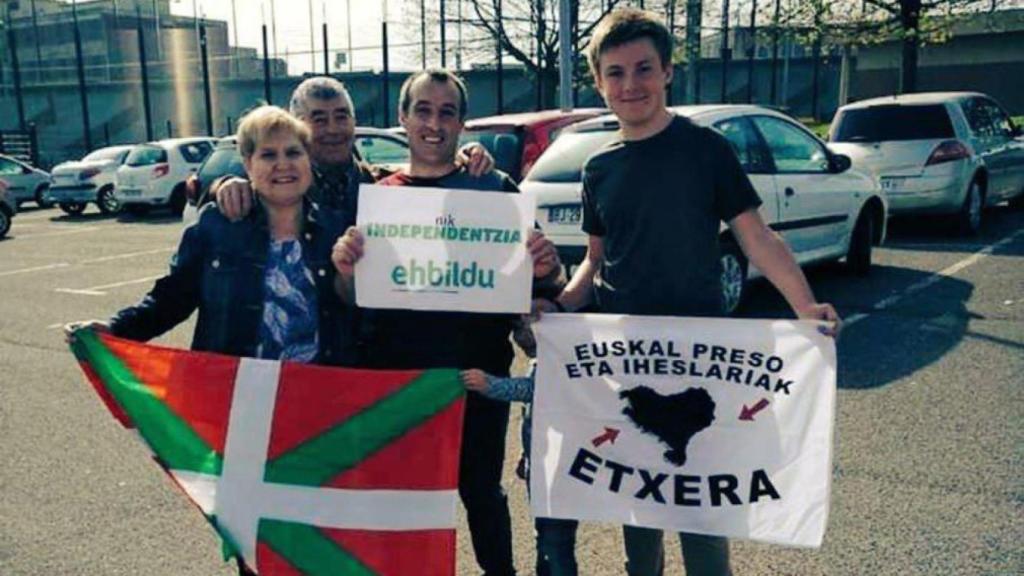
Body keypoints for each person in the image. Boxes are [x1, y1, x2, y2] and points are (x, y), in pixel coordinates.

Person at [550, 8, 842, 576]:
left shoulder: (705, 149)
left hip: (700, 356)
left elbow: (756, 237)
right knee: (641, 509)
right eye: (616, 73)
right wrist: (558, 309)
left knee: (702, 506)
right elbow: (593, 261)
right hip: (626, 357)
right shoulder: (597, 168)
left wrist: (804, 306)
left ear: (667, 73)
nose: (630, 85)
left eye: (643, 69)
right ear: (599, 81)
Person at [332, 68, 562, 576]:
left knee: (480, 490)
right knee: (407, 502)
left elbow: (542, 279)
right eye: (423, 110)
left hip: (477, 374)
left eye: (447, 111)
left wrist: (547, 265)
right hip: (399, 377)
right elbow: (350, 296)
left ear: (462, 123)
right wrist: (345, 269)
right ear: (403, 118)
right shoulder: (379, 196)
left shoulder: (494, 188)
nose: (434, 123)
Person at [215, 75, 493, 229]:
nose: (333, 129)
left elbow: (433, 182)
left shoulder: (383, 187)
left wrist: (464, 157)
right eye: (319, 119)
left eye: (341, 116)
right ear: (296, 126)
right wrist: (222, 185)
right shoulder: (275, 195)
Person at [461, 310, 580, 576]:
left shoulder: (558, 363)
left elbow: (530, 390)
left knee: (555, 538)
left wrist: (488, 384)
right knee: (548, 535)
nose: (522, 334)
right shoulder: (544, 360)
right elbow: (530, 413)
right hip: (540, 459)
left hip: (559, 464)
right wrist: (526, 455)